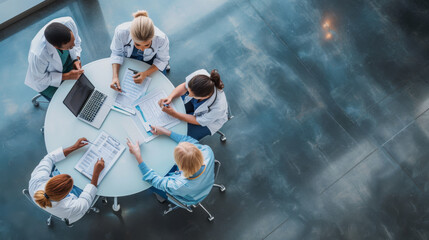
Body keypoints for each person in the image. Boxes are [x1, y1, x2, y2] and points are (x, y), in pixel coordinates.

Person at [127, 126, 214, 206]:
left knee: (149, 186)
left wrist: (138, 156)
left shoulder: (178, 185)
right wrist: (166, 132)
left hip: (190, 198)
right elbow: (186, 140)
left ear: (180, 166)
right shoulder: (207, 151)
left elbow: (153, 179)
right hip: (206, 184)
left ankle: (161, 196)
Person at [28, 137, 105, 224]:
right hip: (72, 207)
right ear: (66, 194)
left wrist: (74, 147)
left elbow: (49, 158)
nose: (72, 177)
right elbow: (87, 198)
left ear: (50, 180)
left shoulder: (37, 180)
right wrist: (96, 173)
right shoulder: (71, 208)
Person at [110, 10, 170, 93]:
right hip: (130, 57)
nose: (141, 49)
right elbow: (117, 53)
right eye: (137, 45)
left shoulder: (161, 38)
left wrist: (146, 73)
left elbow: (162, 60)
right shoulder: (121, 32)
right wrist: (115, 77)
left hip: (151, 60)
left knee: (156, 86)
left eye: (147, 45)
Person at [25, 17, 84, 101]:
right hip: (46, 82)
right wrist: (67, 76)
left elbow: (77, 43)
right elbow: (39, 78)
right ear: (56, 47)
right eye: (70, 47)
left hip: (66, 62)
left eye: (73, 42)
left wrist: (76, 59)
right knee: (66, 101)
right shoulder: (38, 54)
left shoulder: (68, 23)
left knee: (81, 89)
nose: (73, 46)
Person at [159, 69, 228, 140]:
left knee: (182, 135)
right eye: (189, 91)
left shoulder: (218, 108)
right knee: (174, 109)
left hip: (208, 123)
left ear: (205, 97)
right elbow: (184, 86)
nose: (189, 95)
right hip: (197, 104)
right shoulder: (199, 75)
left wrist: (174, 114)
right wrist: (170, 97)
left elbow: (198, 120)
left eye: (193, 95)